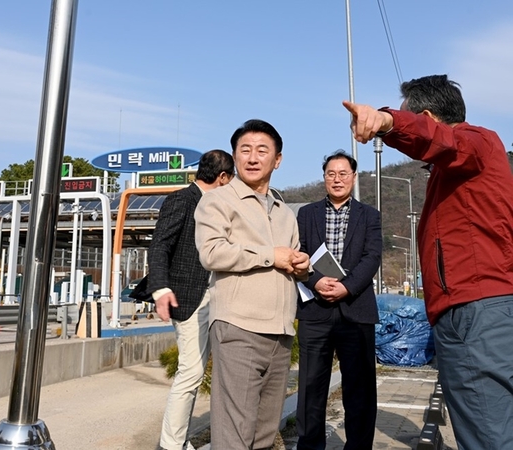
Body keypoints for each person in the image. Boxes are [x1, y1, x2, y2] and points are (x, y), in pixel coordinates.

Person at [343, 74, 513, 449]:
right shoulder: (455, 171)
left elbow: (441, 139)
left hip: (474, 310)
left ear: (429, 118)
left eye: (413, 119)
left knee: (487, 434)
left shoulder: (475, 142)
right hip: (474, 310)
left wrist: (388, 122)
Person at [195, 119, 310, 449]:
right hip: (239, 327)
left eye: (263, 150)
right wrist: (271, 256)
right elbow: (212, 253)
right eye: (245, 150)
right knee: (234, 433)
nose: (253, 157)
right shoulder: (218, 201)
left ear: (278, 160)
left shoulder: (285, 212)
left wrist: (300, 266)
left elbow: (288, 260)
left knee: (263, 433)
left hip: (281, 332)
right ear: (235, 156)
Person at [147, 149, 235, 450]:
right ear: (222, 177)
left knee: (204, 372)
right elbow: (159, 246)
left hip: (220, 299)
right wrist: (161, 289)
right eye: (230, 179)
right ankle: (171, 445)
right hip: (190, 299)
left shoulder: (218, 206)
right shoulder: (182, 200)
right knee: (191, 373)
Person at [295, 150, 382, 450]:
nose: (337, 179)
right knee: (310, 388)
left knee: (359, 389)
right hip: (315, 311)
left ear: (354, 177)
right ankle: (310, 446)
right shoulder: (306, 214)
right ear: (323, 178)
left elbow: (372, 257)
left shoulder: (370, 216)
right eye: (331, 174)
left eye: (343, 173)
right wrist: (315, 281)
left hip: (355, 311)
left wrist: (346, 287)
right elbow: (299, 253)